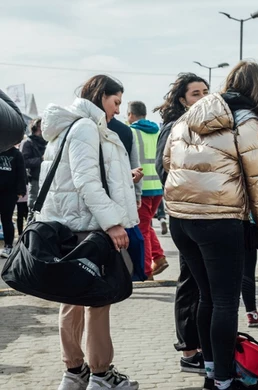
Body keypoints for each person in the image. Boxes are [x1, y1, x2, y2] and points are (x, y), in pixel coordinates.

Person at [163, 61, 258, 390]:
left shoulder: (188, 117)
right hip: (220, 221)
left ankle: (212, 372)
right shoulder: (249, 121)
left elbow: (169, 162)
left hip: (181, 220)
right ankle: (224, 380)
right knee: (225, 302)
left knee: (206, 298)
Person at [39, 75, 139, 390]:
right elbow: (86, 181)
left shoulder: (66, 127)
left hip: (68, 227)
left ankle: (74, 372)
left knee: (70, 300)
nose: (118, 111)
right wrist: (113, 222)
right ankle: (101, 374)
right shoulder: (85, 127)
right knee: (97, 300)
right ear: (100, 97)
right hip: (88, 229)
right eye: (115, 102)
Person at [154, 72, 209, 373]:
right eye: (195, 94)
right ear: (181, 100)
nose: (202, 97)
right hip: (185, 216)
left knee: (200, 283)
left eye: (205, 92)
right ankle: (189, 350)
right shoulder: (174, 128)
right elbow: (166, 174)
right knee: (190, 282)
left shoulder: (199, 126)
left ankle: (198, 346)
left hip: (199, 214)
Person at [127, 101, 167, 280]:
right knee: (146, 225)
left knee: (142, 228)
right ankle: (158, 257)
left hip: (141, 187)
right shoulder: (157, 132)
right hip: (158, 187)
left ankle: (145, 272)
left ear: (130, 114)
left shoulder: (132, 132)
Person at [0, 144, 26, 258]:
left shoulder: (16, 154)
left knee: (6, 219)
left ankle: (8, 246)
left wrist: (21, 190)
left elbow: (21, 173)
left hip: (9, 193)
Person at [21, 117, 47, 220]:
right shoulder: (28, 142)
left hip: (47, 179)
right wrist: (41, 160)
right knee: (33, 209)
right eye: (42, 125)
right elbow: (24, 162)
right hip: (35, 179)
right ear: (37, 127)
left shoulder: (48, 142)